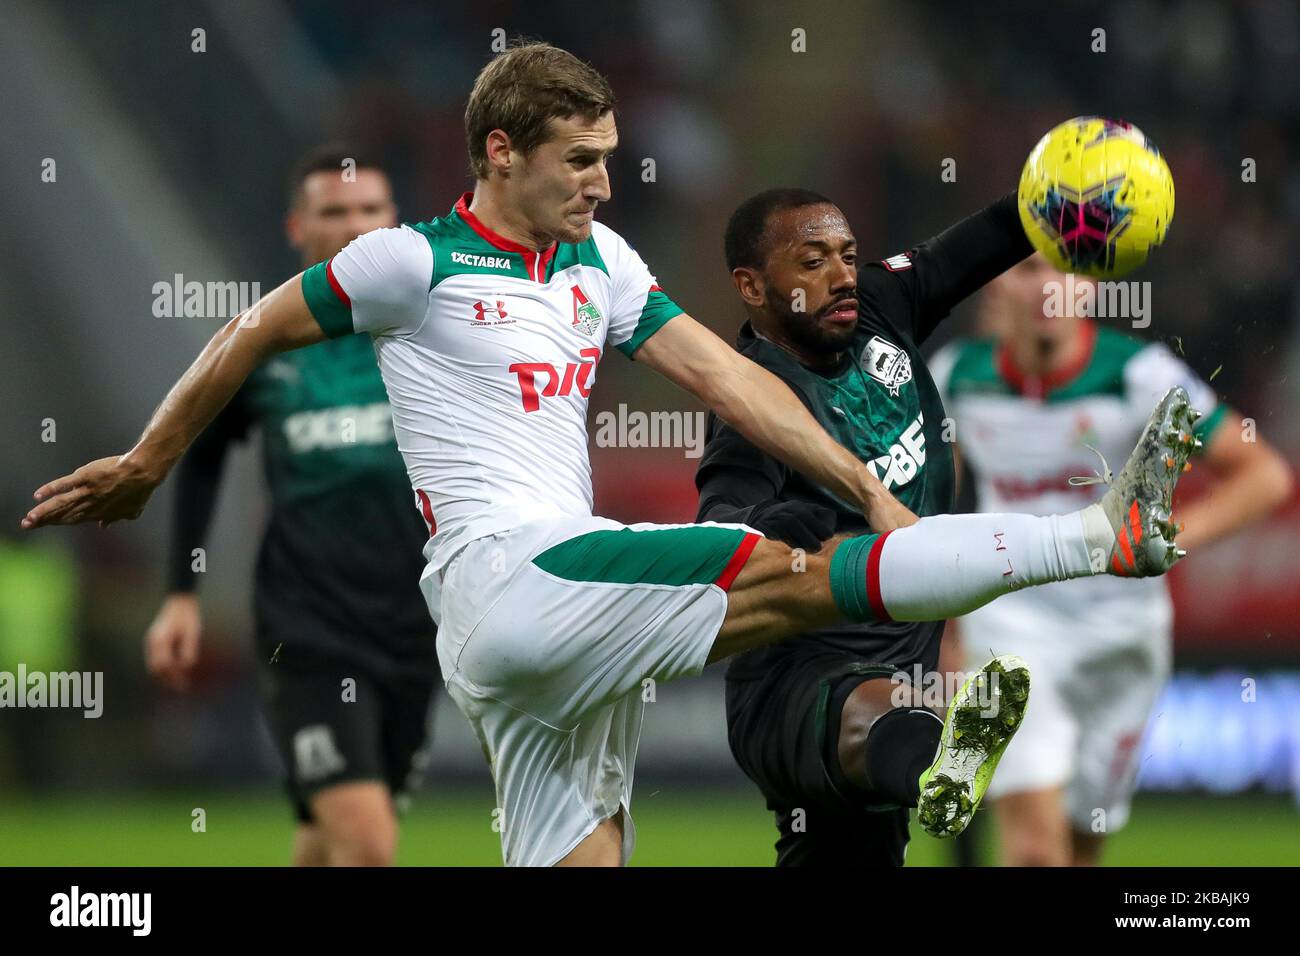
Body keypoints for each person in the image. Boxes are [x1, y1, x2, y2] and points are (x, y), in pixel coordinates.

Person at [22, 42, 1199, 867]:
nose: (603, 178)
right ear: (498, 150)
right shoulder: (410, 263)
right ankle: (1102, 534)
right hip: (510, 577)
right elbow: (247, 329)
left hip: (550, 639)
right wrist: (144, 463)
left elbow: (728, 376)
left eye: (608, 153)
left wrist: (861, 483)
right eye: (578, 159)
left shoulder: (602, 265)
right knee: (779, 569)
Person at [696, 186, 1030, 864]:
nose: (841, 274)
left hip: (903, 657)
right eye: (811, 261)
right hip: (796, 681)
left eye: (847, 255)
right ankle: (940, 761)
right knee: (887, 713)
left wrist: (1062, 192)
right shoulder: (752, 409)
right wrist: (791, 521)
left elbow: (992, 234)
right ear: (753, 286)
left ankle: (933, 758)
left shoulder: (878, 305)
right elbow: (721, 534)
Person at [930, 253, 1293, 866]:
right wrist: (943, 624)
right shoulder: (954, 379)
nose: (1047, 288)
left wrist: (1168, 534)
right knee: (1035, 855)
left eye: (1061, 272)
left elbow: (1265, 476)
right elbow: (931, 508)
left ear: (1090, 289)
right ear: (996, 287)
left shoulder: (1140, 376)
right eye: (1027, 273)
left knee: (1080, 848)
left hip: (1122, 635)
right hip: (1012, 628)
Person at [143, 146, 438, 866]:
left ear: (395, 224)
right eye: (334, 212)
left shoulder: (431, 336)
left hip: (417, 623)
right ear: (296, 227)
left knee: (325, 835)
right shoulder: (262, 342)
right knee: (368, 844)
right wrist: (181, 595)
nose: (354, 226)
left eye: (370, 210)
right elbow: (203, 457)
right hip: (306, 628)